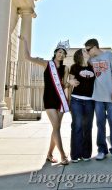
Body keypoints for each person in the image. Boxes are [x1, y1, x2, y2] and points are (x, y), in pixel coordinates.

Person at [18, 36, 77, 165]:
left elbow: (64, 85)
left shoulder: (65, 69)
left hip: (60, 100)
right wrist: (25, 42)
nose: (61, 55)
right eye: (59, 52)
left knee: (56, 128)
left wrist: (70, 83)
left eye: (63, 53)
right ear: (55, 52)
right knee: (56, 128)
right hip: (49, 99)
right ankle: (63, 155)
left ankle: (50, 154)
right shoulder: (46, 64)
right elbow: (28, 57)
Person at [85, 38, 112, 161]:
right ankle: (101, 150)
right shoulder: (91, 60)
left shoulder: (109, 55)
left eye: (88, 49)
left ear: (94, 47)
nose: (87, 52)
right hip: (98, 97)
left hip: (111, 96)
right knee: (100, 124)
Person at [69, 49, 95, 163]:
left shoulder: (93, 66)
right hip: (76, 100)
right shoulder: (74, 67)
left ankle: (86, 154)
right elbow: (70, 80)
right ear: (80, 55)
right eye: (85, 51)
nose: (87, 52)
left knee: (88, 127)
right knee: (77, 126)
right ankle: (75, 155)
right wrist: (71, 81)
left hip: (90, 101)